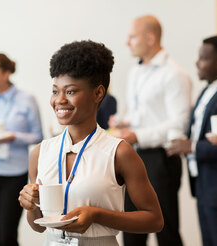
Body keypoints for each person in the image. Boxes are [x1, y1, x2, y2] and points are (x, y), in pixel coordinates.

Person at [18, 40, 163, 246]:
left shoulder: (119, 152)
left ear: (98, 93)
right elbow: (38, 226)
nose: (59, 100)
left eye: (70, 91)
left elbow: (154, 220)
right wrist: (30, 205)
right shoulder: (41, 152)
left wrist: (97, 215)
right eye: (55, 91)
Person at [109, 15, 192, 246]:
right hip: (134, 157)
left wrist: (137, 135)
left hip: (160, 159)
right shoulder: (136, 71)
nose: (127, 43)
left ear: (150, 37)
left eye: (132, 37)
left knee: (166, 231)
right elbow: (142, 114)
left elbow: (178, 124)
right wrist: (123, 121)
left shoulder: (174, 73)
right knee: (131, 230)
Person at [0, 53, 43, 246]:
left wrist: (14, 137)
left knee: (7, 236)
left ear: (5, 74)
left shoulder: (27, 99)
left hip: (13, 175)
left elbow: (38, 136)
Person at [166, 35, 217, 246]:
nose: (197, 63)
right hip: (203, 186)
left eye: (203, 58)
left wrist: (192, 147)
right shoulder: (207, 91)